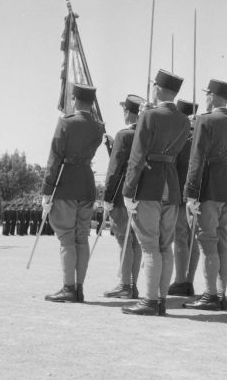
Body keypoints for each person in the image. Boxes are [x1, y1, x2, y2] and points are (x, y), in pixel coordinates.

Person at [122, 70, 190, 316]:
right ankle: (160, 299)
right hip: (171, 186)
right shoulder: (184, 120)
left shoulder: (149, 116)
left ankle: (150, 301)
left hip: (149, 185)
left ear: (158, 89)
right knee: (164, 246)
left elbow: (137, 156)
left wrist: (128, 190)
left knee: (150, 245)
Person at [182, 79, 227, 311]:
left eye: (207, 93)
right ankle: (221, 294)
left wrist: (191, 193)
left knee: (207, 241)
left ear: (214, 96)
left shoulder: (205, 120)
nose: (205, 97)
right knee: (223, 241)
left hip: (208, 185)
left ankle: (210, 295)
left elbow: (196, 159)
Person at [42, 83, 104, 303]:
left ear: (75, 99)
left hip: (65, 184)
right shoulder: (99, 127)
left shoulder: (66, 123)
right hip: (87, 184)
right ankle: (79, 288)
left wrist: (46, 191)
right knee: (81, 238)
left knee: (67, 239)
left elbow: (54, 157)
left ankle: (69, 287)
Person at [102, 93, 144, 300]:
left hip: (121, 196)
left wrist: (107, 198)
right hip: (143, 195)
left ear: (128, 112)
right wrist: (111, 146)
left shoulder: (124, 135)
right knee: (135, 242)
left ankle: (125, 285)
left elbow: (115, 170)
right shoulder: (145, 134)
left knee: (124, 241)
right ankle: (132, 285)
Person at [168, 100, 200, 297]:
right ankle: (188, 280)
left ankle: (181, 281)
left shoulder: (180, 137)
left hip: (180, 194)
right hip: (196, 194)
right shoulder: (200, 136)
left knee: (181, 238)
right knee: (192, 240)